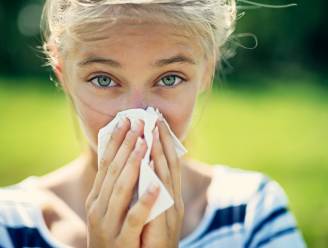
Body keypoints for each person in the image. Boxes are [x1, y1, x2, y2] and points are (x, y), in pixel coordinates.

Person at [0, 0, 306, 247]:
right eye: (104, 79)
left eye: (169, 78)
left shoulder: (252, 215)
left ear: (206, 70)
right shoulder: (11, 225)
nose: (138, 116)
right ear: (63, 72)